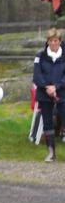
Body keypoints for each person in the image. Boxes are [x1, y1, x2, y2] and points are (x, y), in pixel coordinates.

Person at [33, 28, 65, 162]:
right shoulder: (40, 56)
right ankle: (51, 153)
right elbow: (36, 75)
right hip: (44, 93)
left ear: (60, 41)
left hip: (62, 92)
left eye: (56, 41)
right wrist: (47, 87)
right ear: (47, 41)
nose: (53, 43)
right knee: (47, 123)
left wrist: (56, 87)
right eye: (50, 41)